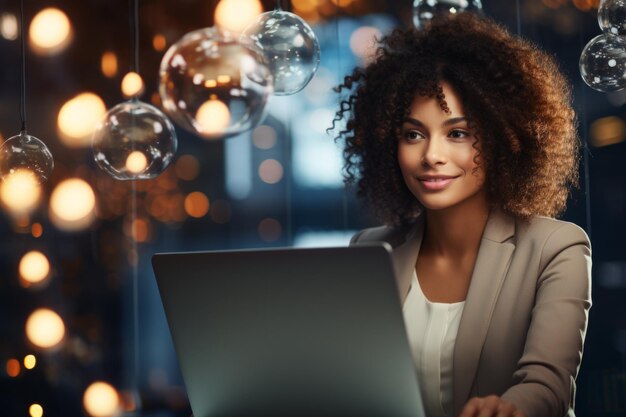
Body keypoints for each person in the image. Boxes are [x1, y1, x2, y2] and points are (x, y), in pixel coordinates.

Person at [333, 12, 592, 417]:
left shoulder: (556, 248)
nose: (432, 155)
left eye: (458, 133)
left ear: (505, 136)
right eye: (413, 134)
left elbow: (548, 385)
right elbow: (349, 382)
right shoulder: (370, 250)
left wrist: (507, 409)